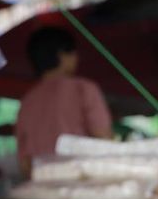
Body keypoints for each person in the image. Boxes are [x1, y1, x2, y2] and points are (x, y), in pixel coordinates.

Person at [15, 26, 112, 177]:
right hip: (81, 186)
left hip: (41, 190)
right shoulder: (83, 89)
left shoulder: (26, 102)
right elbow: (104, 141)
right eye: (73, 53)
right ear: (62, 56)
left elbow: (24, 164)